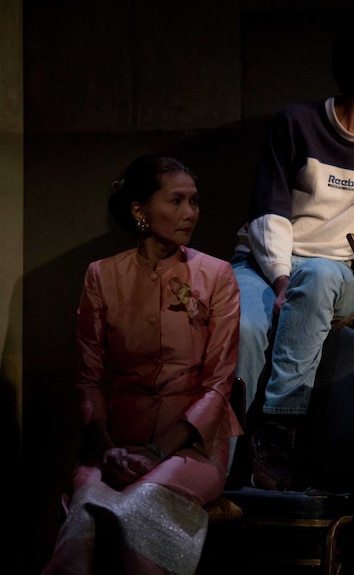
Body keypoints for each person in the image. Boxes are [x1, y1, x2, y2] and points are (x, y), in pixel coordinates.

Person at [230, 21, 354, 491]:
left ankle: (279, 429)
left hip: (334, 271)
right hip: (264, 262)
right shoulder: (297, 123)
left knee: (316, 276)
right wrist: (278, 279)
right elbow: (269, 206)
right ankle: (233, 455)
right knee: (246, 326)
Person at [42, 155, 242, 575]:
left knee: (140, 504)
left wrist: (155, 452)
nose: (190, 213)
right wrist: (106, 444)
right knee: (87, 508)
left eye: (194, 201)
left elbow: (218, 384)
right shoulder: (102, 275)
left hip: (192, 446)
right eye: (176, 201)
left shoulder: (216, 274)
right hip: (114, 444)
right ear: (140, 211)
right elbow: (90, 377)